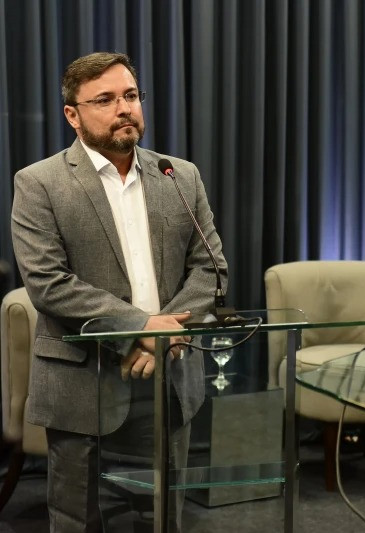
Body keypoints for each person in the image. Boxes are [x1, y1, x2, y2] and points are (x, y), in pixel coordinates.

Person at [10, 52, 226, 532]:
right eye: (104, 100)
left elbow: (211, 270)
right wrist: (142, 327)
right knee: (77, 518)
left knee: (163, 514)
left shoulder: (179, 175)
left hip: (168, 372)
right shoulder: (39, 183)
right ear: (73, 114)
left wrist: (164, 335)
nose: (123, 108)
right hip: (83, 381)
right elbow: (48, 283)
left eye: (130, 96)